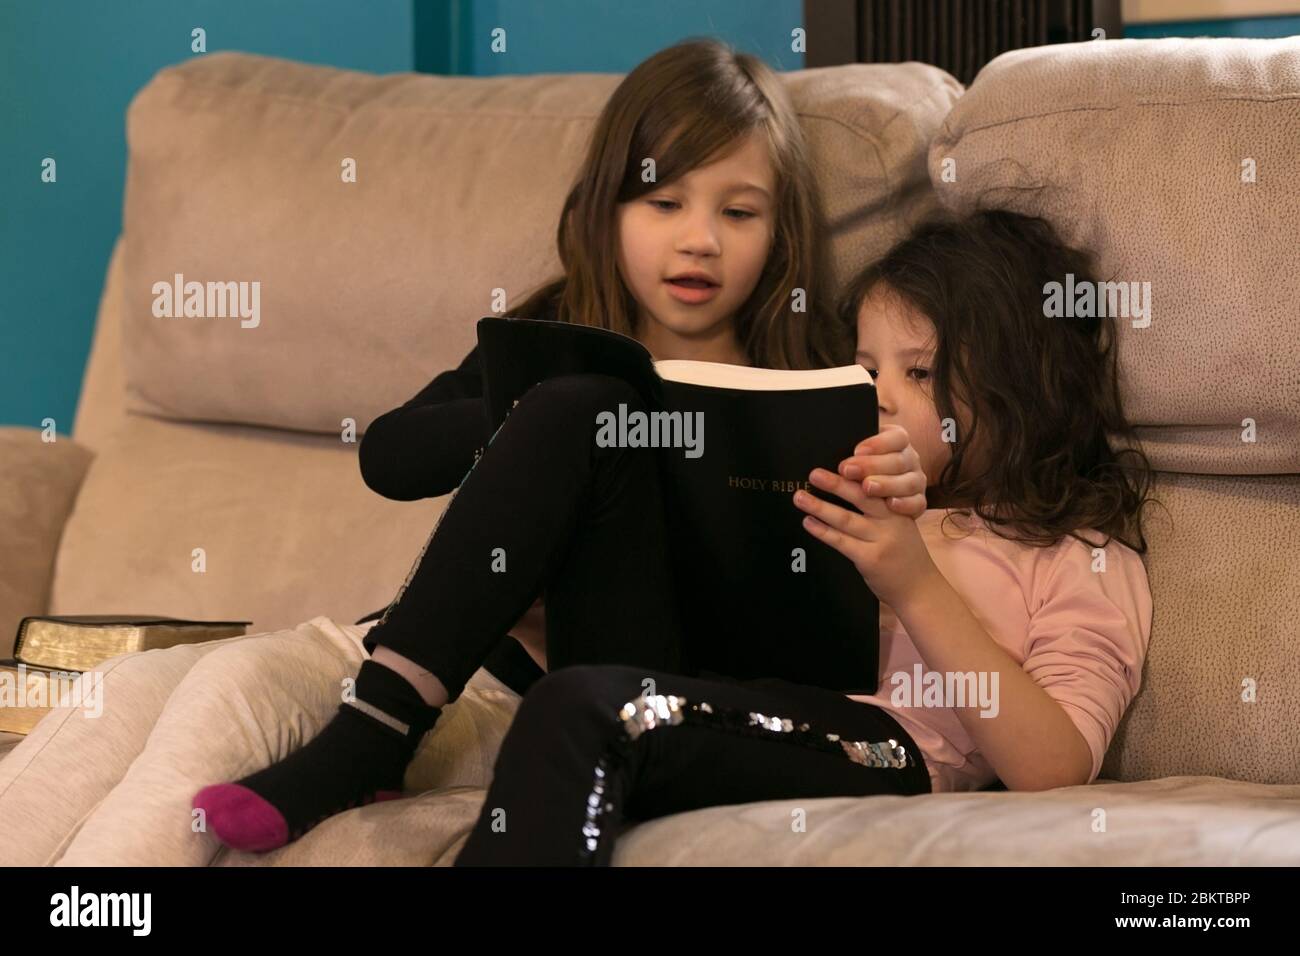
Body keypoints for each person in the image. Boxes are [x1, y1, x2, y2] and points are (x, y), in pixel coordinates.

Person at [190, 37, 922, 854]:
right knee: (589, 403)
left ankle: (373, 735)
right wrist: (539, 421)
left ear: (780, 232)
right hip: (542, 672)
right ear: (604, 210)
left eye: (738, 212)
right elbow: (388, 456)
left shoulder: (819, 363)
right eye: (663, 202)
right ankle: (376, 728)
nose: (700, 240)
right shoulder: (559, 332)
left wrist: (897, 476)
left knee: (596, 409)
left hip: (686, 700)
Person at [449, 209, 1160, 865]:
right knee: (571, 690)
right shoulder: (851, 494)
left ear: (1025, 391)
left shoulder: (1078, 556)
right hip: (743, 696)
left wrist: (913, 582)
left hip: (884, 747)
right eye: (868, 367)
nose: (879, 393)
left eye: (921, 372)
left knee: (595, 712)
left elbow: (1054, 764)